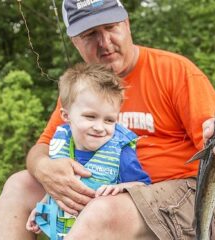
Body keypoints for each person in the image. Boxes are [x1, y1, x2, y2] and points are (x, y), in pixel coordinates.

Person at [0, 0, 215, 239]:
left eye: (110, 27)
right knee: (19, 185)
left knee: (102, 212)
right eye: (90, 34)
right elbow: (41, 147)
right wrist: (44, 168)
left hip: (187, 192)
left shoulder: (176, 71)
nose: (104, 43)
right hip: (102, 186)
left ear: (126, 23)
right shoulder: (82, 89)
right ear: (75, 42)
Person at [25, 63, 151, 237]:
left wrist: (123, 187)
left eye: (109, 120)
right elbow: (56, 190)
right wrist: (42, 209)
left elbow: (143, 185)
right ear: (66, 116)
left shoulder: (121, 152)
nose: (100, 127)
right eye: (90, 117)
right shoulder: (61, 145)